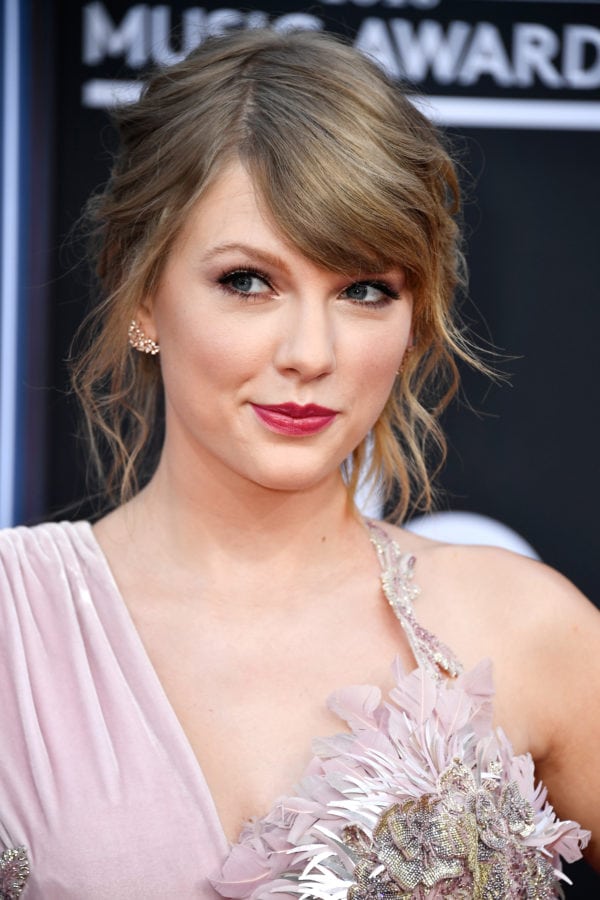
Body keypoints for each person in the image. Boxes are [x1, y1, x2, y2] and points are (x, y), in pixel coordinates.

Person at [0, 28, 598, 900]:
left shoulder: (526, 630)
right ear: (141, 297)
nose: (310, 352)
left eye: (364, 290)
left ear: (415, 315)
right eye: (248, 281)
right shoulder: (14, 629)